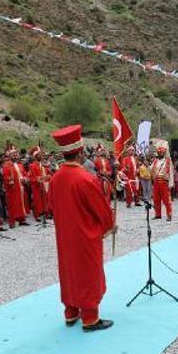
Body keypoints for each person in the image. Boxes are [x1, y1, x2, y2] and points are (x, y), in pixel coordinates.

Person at [50, 125, 116, 332]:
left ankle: (70, 312)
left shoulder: (55, 179)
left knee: (69, 271)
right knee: (88, 272)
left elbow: (52, 207)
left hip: (65, 235)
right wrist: (109, 225)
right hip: (85, 235)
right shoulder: (86, 178)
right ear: (80, 152)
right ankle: (90, 318)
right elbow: (101, 208)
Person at [2, 147, 30, 228]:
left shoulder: (20, 165)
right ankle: (12, 221)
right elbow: (5, 177)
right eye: (13, 155)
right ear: (10, 156)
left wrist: (25, 178)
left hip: (21, 187)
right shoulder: (6, 165)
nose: (15, 156)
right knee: (13, 204)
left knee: (22, 203)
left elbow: (24, 173)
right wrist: (10, 179)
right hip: (13, 188)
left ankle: (22, 219)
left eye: (16, 155)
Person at [150, 144, 174, 221]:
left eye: (162, 152)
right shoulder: (155, 161)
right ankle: (158, 214)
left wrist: (171, 184)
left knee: (166, 200)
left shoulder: (168, 161)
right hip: (156, 181)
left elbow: (171, 173)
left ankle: (169, 214)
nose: (160, 154)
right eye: (159, 152)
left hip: (164, 182)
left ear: (164, 153)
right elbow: (150, 169)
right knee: (156, 199)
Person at [28, 146, 50, 220]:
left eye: (41, 154)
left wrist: (48, 176)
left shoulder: (43, 165)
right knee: (37, 200)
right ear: (35, 156)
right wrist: (38, 179)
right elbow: (31, 177)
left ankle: (46, 212)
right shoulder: (32, 166)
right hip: (36, 186)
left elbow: (47, 173)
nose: (41, 156)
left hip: (44, 184)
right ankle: (37, 215)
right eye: (39, 155)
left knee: (45, 199)